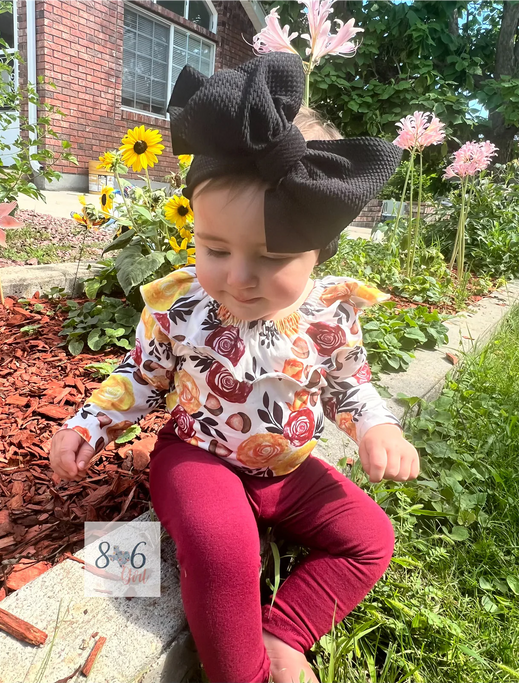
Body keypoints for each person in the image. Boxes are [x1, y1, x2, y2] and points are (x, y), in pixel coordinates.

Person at [49, 53, 419, 683]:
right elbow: (141, 376)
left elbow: (348, 384)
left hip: (288, 466)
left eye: (271, 257)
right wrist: (89, 425)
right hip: (198, 456)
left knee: (371, 537)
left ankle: (287, 630)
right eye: (215, 249)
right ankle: (241, 674)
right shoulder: (183, 305)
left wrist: (376, 428)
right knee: (223, 549)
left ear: (317, 252)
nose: (238, 278)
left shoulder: (330, 315)